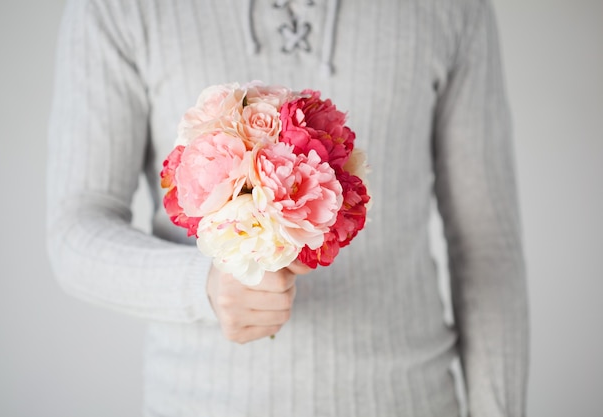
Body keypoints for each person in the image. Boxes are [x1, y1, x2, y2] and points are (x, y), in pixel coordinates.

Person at [46, 0, 529, 416]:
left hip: (410, 398)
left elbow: (488, 247)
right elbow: (76, 226)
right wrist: (202, 287)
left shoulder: (452, 9)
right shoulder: (119, 9)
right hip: (200, 403)